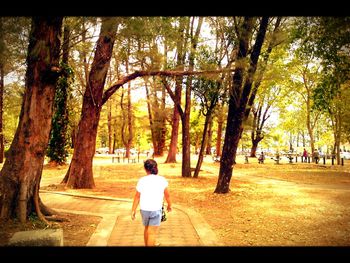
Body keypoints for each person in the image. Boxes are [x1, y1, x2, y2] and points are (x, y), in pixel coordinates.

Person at [131, 159, 172, 246]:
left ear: (145, 169)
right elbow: (167, 195)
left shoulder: (142, 180)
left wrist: (133, 210)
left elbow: (137, 196)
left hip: (144, 210)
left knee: (147, 228)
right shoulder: (162, 180)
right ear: (156, 168)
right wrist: (169, 205)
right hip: (156, 209)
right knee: (152, 233)